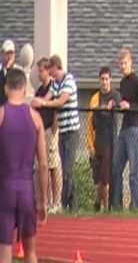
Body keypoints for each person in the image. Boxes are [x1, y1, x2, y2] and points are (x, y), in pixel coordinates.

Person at [0, 68, 48, 263]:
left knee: (4, 255)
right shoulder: (36, 118)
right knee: (30, 253)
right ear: (24, 88)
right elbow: (44, 165)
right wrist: (43, 201)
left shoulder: (2, 115)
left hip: (5, 191)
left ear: (6, 88)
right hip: (27, 191)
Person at [31, 55, 80, 211]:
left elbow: (60, 101)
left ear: (55, 67)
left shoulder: (68, 80)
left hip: (72, 130)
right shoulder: (56, 84)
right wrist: (38, 101)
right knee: (64, 168)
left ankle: (71, 205)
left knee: (67, 168)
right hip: (64, 131)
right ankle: (65, 205)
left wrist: (43, 102)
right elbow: (48, 96)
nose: (48, 71)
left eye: (49, 68)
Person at [111, 48, 138, 210]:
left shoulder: (136, 81)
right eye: (121, 63)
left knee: (134, 170)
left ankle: (136, 205)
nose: (123, 66)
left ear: (131, 63)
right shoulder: (122, 83)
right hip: (124, 129)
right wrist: (116, 104)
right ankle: (117, 205)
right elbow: (123, 106)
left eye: (125, 63)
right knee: (116, 167)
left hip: (134, 128)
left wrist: (130, 105)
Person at [86, 66, 121, 212]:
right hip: (96, 141)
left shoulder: (115, 95)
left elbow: (119, 106)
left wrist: (113, 106)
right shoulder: (95, 98)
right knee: (98, 179)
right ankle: (97, 203)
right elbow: (89, 123)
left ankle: (105, 207)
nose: (105, 82)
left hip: (109, 142)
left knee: (105, 179)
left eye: (107, 79)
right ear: (99, 80)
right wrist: (90, 146)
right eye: (102, 79)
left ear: (110, 80)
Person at [34, 58, 62, 214]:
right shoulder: (39, 90)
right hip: (40, 132)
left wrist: (55, 126)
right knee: (41, 167)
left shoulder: (54, 87)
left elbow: (57, 106)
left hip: (50, 130)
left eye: (41, 70)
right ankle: (46, 200)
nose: (40, 73)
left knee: (53, 166)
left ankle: (56, 201)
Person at [0, 39, 17, 106]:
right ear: (2, 54)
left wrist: (9, 69)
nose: (9, 56)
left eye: (11, 53)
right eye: (7, 53)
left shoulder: (18, 71)